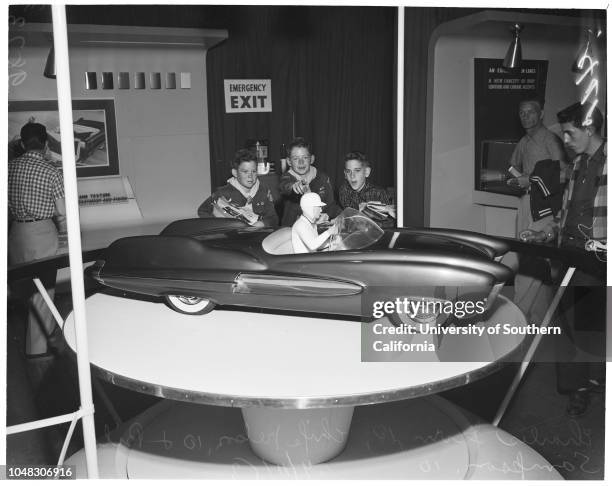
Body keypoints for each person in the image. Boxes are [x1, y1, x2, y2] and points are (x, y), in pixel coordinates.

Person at [520, 102, 606, 417]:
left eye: (570, 133)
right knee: (568, 324)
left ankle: (593, 380)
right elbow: (565, 214)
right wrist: (546, 233)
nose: (565, 141)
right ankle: (578, 388)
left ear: (589, 128)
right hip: (568, 254)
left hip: (595, 258)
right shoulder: (577, 165)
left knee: (588, 323)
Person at [504, 98, 567, 325]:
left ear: (541, 114)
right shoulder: (524, 141)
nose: (526, 117)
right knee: (535, 262)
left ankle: (514, 321)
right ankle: (542, 325)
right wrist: (515, 180)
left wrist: (529, 180)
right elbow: (513, 167)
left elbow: (563, 173)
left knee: (528, 259)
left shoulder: (550, 140)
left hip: (543, 208)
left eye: (531, 112)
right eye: (522, 113)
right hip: (526, 202)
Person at [8, 122, 66, 358]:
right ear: (45, 144)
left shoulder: (8, 168)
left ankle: (44, 331)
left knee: (25, 289)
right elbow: (62, 209)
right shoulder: (52, 171)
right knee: (44, 290)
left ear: (22, 143)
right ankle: (37, 349)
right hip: (42, 232)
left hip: (16, 233)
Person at [197, 148, 278, 228]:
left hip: (257, 235)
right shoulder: (223, 193)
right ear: (235, 173)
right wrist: (219, 224)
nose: (250, 176)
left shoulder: (263, 192)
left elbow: (273, 218)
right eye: (245, 172)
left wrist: (262, 223)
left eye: (253, 171)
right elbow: (202, 210)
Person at [279, 137, 341, 226]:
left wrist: (327, 215)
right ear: (289, 161)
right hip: (292, 229)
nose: (301, 162)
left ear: (311, 159)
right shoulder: (286, 177)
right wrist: (294, 187)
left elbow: (331, 205)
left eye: (305, 157)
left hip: (318, 228)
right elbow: (284, 186)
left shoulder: (322, 178)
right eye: (296, 158)